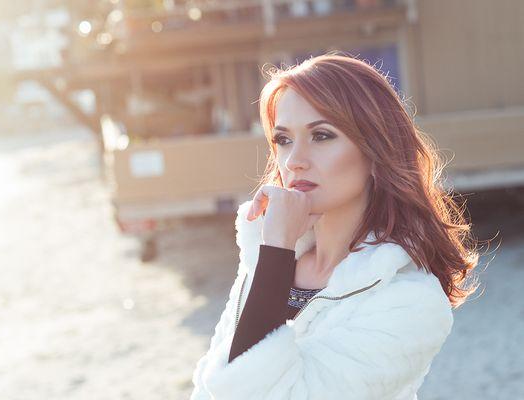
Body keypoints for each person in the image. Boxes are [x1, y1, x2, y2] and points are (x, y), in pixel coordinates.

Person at [189, 52, 480, 400]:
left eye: (322, 136)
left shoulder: (411, 300)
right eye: (283, 140)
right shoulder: (264, 259)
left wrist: (276, 250)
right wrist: (273, 254)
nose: (294, 161)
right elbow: (208, 390)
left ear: (375, 152)